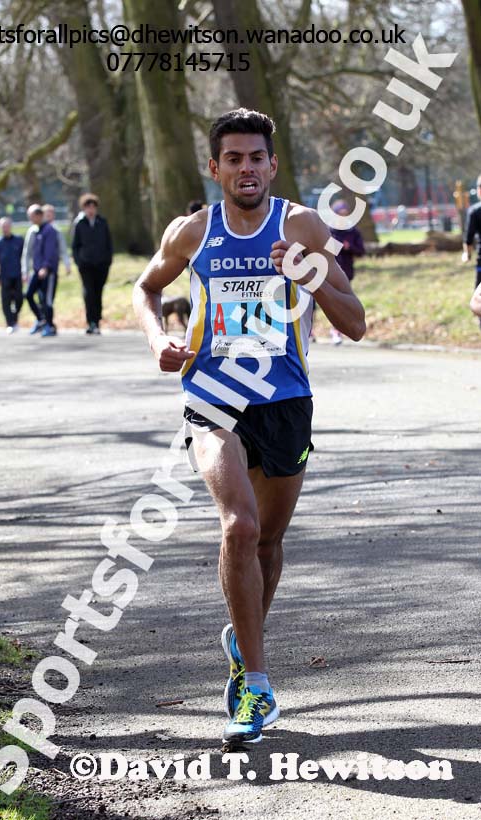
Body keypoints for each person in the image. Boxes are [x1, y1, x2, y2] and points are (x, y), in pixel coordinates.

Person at [133, 108, 365, 745]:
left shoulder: (302, 226)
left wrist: (309, 276)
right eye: (232, 159)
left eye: (255, 158)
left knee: (267, 543)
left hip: (285, 400)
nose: (245, 169)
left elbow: (355, 322)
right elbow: (146, 287)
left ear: (272, 164)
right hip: (212, 396)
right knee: (239, 524)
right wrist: (157, 338)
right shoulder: (193, 231)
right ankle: (256, 686)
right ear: (216, 168)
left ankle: (243, 636)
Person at [72, 193, 113, 334]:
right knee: (88, 292)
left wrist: (108, 260)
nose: (90, 210)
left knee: (98, 292)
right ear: (84, 208)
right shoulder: (79, 223)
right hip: (86, 265)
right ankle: (91, 322)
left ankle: (97, 319)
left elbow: (108, 243)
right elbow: (75, 245)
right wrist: (79, 261)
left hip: (101, 264)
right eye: (88, 207)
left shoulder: (102, 222)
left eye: (93, 207)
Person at [328, 200, 365, 345]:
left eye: (345, 214)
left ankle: (338, 330)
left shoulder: (353, 231)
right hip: (329, 272)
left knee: (342, 303)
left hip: (346, 273)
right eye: (340, 214)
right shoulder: (328, 230)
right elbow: (323, 248)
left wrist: (349, 248)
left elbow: (361, 251)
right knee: (329, 302)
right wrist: (339, 246)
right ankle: (325, 330)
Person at [25, 204, 60, 337]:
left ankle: (49, 326)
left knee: (47, 300)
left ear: (39, 215)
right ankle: (41, 319)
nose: (30, 219)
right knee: (29, 295)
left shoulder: (49, 230)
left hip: (48, 272)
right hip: (37, 270)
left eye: (32, 216)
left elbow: (50, 252)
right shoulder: (36, 231)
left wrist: (45, 267)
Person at [0, 217, 24, 334]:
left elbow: (24, 257)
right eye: (3, 227)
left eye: (7, 226)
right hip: (4, 276)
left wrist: (25, 273)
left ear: (10, 226)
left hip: (17, 274)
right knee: (6, 301)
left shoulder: (19, 240)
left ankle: (14, 318)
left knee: (19, 298)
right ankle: (10, 323)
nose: (5, 229)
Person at [462, 174, 481, 331]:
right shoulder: (474, 211)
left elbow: (468, 238)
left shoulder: (474, 211)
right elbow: (468, 238)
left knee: (477, 302)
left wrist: (466, 254)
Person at [42, 204, 71, 277]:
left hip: (52, 266)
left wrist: (67, 264)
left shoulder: (57, 230)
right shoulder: (35, 230)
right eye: (46, 214)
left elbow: (63, 249)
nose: (48, 216)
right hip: (38, 265)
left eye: (50, 214)